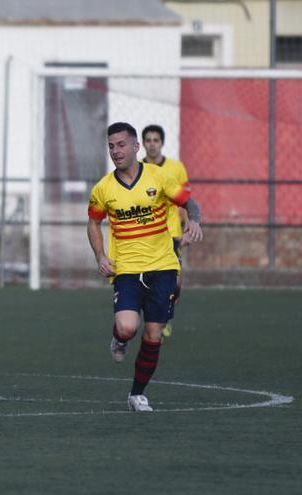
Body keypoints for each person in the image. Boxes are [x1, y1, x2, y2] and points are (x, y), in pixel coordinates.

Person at [87, 122, 200, 412]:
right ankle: (118, 338)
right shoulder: (103, 188)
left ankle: (137, 394)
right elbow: (93, 223)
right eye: (111, 146)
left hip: (162, 266)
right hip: (125, 270)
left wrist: (194, 220)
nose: (115, 151)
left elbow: (190, 203)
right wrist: (100, 256)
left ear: (136, 147)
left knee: (152, 334)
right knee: (127, 328)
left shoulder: (159, 177)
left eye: (121, 145)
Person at [140, 124, 203, 336]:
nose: (152, 144)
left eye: (155, 140)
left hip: (172, 232)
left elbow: (185, 200)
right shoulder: (137, 168)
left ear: (162, 143)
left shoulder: (176, 168)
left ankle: (165, 314)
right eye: (148, 140)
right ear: (142, 143)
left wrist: (188, 227)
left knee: (175, 282)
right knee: (147, 280)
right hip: (146, 234)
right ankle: (154, 316)